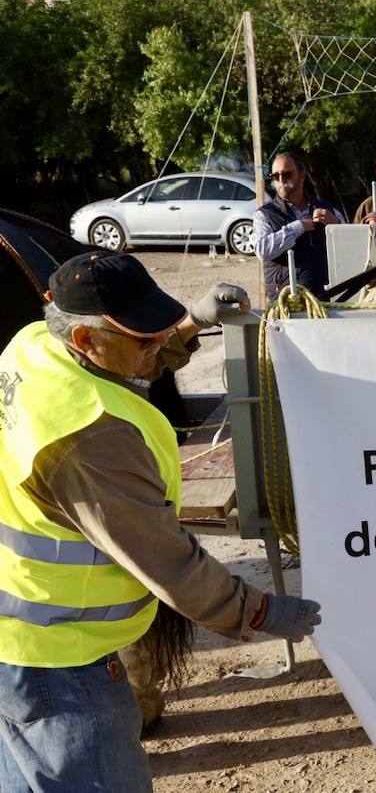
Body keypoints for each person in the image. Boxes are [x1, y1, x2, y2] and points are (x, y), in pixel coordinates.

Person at [0, 251, 322, 791]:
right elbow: (168, 561)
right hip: (59, 664)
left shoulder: (32, 345)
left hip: (20, 643)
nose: (156, 345)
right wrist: (260, 610)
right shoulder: (89, 440)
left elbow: (120, 365)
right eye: (145, 339)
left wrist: (192, 322)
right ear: (83, 338)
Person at [253, 151, 345, 301]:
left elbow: (350, 244)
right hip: (287, 301)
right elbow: (262, 250)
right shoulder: (264, 214)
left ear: (302, 175)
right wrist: (298, 227)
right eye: (276, 176)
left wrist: (336, 224)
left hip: (326, 298)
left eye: (287, 174)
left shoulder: (326, 208)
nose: (281, 180)